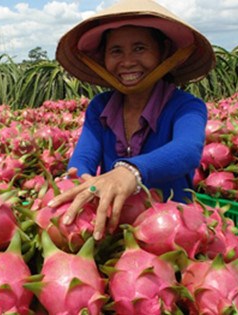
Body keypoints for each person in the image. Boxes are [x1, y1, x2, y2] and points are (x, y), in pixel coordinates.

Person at [47, 0, 216, 241]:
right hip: (112, 233)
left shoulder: (185, 106)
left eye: (139, 48)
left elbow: (188, 150)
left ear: (164, 51)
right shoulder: (99, 107)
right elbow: (83, 160)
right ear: (103, 58)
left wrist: (131, 172)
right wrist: (81, 182)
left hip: (174, 237)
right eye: (116, 51)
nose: (127, 61)